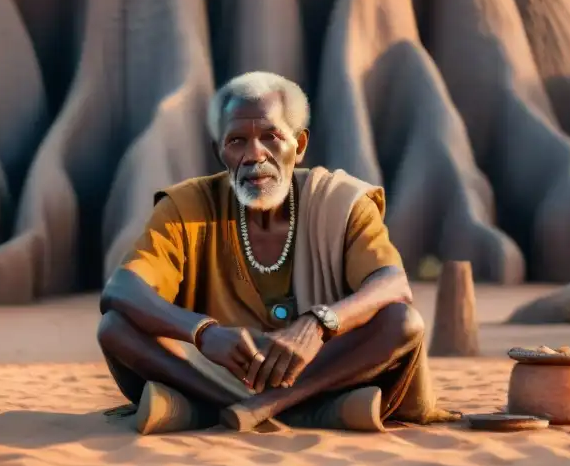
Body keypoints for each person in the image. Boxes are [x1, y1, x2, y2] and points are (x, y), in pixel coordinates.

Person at [97, 71, 453, 434]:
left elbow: (393, 283)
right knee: (115, 326)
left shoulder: (341, 201)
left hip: (320, 365)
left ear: (299, 146)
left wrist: (319, 324)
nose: (255, 155)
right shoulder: (187, 205)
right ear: (219, 151)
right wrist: (203, 332)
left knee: (402, 322)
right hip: (218, 367)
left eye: (271, 137)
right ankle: (292, 411)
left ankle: (254, 407)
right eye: (237, 141)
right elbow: (121, 290)